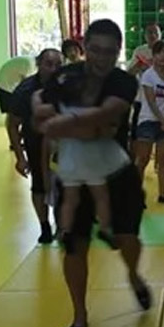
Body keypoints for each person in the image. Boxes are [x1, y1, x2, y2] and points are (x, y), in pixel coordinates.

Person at [33, 19, 152, 327]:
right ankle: (79, 314)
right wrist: (46, 172)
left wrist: (63, 123)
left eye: (110, 52)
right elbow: (40, 113)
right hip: (73, 172)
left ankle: (133, 275)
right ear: (85, 47)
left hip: (115, 171)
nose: (102, 58)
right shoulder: (65, 77)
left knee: (128, 238)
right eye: (96, 50)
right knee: (73, 245)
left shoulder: (123, 82)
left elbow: (103, 122)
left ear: (118, 52)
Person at [49, 63, 131, 244]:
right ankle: (104, 229)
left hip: (70, 160)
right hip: (90, 159)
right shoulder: (91, 110)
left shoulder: (63, 108)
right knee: (100, 196)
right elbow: (97, 131)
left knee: (71, 199)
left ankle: (65, 231)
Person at [6, 49, 64, 244]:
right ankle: (44, 226)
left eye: (58, 65)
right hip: (36, 144)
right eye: (49, 64)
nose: (54, 69)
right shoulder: (25, 90)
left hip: (64, 145)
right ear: (39, 64)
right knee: (39, 185)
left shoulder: (68, 85)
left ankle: (64, 226)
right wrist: (20, 158)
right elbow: (12, 124)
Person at [133, 40, 164, 205]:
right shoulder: (148, 76)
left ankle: (162, 194)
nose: (163, 56)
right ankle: (136, 195)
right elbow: (151, 102)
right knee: (143, 159)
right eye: (159, 53)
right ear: (153, 56)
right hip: (147, 120)